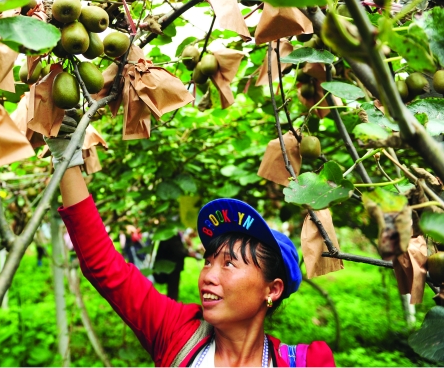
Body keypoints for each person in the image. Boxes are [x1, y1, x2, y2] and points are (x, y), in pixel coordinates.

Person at [46, 132, 335, 367]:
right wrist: (68, 159)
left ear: (271, 290)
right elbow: (106, 267)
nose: (207, 275)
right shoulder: (176, 331)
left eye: (229, 264)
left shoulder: (310, 362)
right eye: (208, 262)